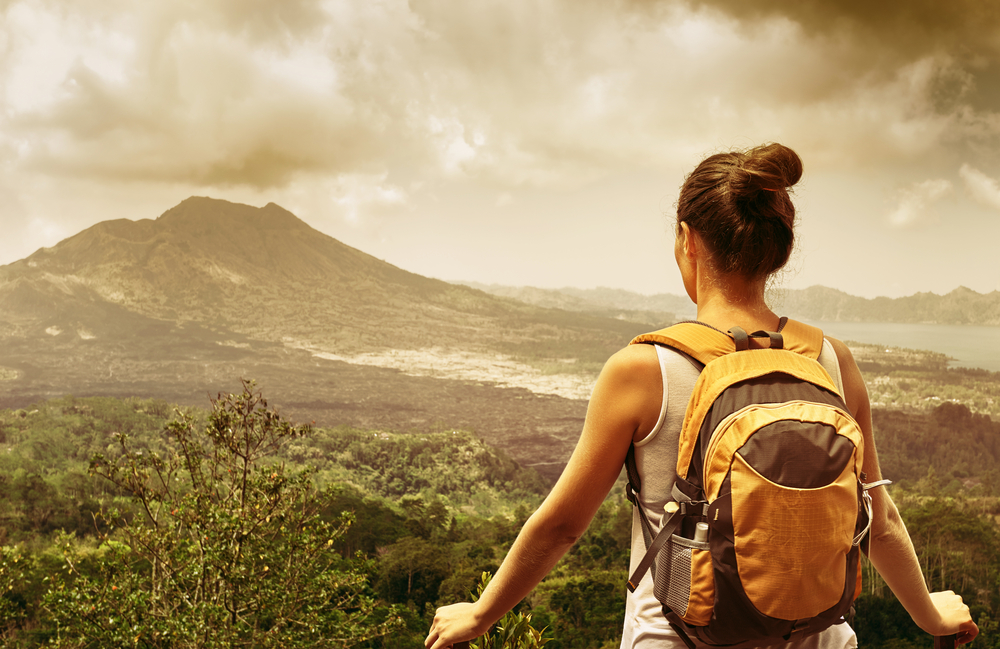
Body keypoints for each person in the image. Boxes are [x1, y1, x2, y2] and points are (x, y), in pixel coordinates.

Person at [424, 143, 979, 649]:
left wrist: (481, 614)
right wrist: (930, 614)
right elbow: (874, 518)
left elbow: (564, 525)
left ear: (687, 239)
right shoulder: (832, 361)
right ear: (779, 252)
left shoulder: (646, 370)